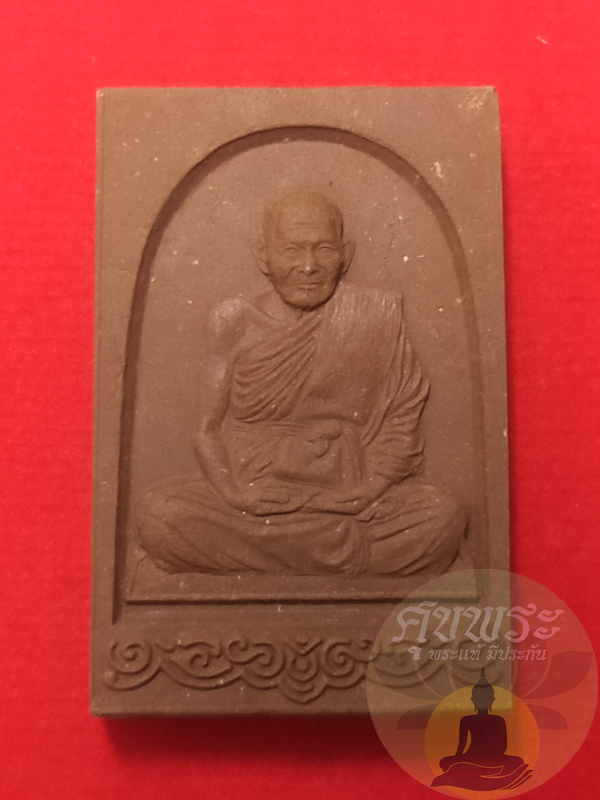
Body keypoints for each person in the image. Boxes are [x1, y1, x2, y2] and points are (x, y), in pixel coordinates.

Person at [136, 189, 467, 575]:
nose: (308, 266)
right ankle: (332, 559)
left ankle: (283, 559)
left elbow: (402, 413)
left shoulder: (374, 316)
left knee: (442, 519)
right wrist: (236, 495)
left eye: (323, 249)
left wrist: (372, 488)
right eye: (292, 250)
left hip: (347, 494)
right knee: (160, 517)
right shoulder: (234, 321)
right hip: (257, 496)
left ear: (346, 255)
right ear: (263, 255)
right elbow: (206, 431)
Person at [432, 670, 532, 791]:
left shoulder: (498, 720)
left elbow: (503, 746)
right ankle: (492, 774)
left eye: (485, 698)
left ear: (492, 700)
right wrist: (456, 759)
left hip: (491, 758)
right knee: (444, 762)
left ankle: (467, 773)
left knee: (518, 761)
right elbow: (461, 745)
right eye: (479, 697)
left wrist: (492, 756)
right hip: (472, 757)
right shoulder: (467, 720)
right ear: (473, 699)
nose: (482, 700)